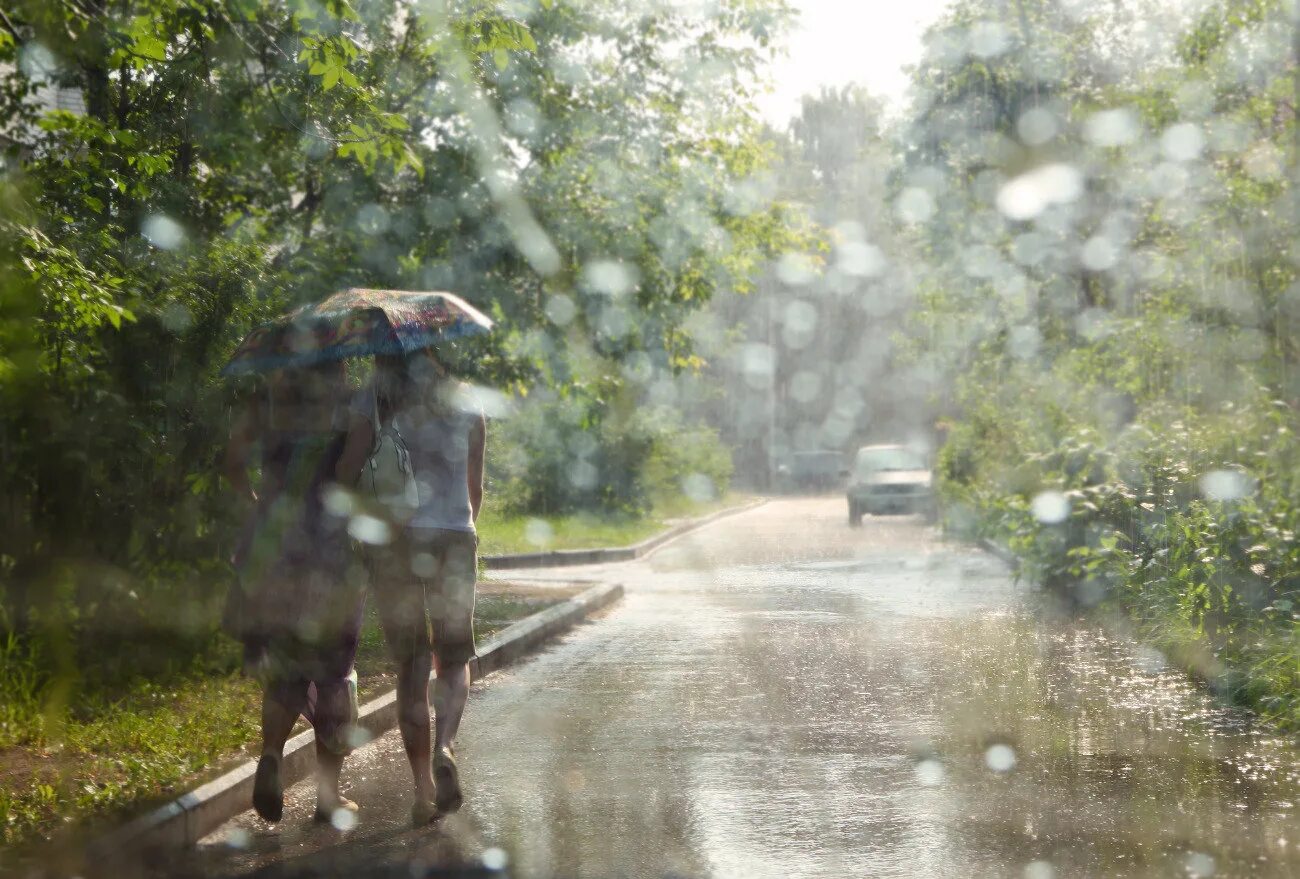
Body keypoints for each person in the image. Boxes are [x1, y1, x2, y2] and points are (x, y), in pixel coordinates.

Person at [336, 349, 486, 824]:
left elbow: (345, 475)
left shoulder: (375, 399)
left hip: (397, 541)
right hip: (455, 536)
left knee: (412, 665)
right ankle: (445, 747)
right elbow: (474, 490)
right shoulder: (468, 402)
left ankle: (422, 793)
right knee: (453, 656)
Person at [223, 361, 366, 824]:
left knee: (285, 668)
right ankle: (328, 797)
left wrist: (257, 505)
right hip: (327, 556)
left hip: (277, 554)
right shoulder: (345, 409)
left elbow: (231, 462)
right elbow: (347, 478)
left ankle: (270, 755)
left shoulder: (270, 402)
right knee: (333, 673)